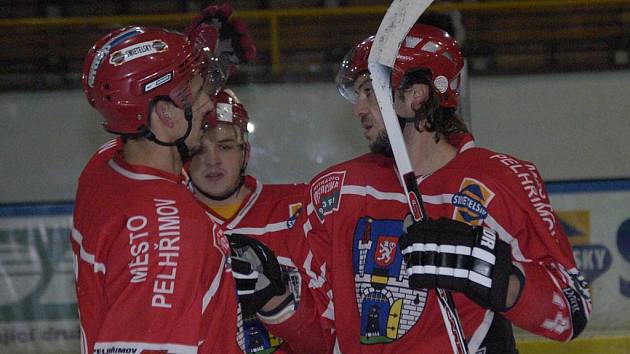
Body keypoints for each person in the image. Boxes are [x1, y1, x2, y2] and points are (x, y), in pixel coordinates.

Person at [299, 23, 592, 353]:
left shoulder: (498, 181)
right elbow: (314, 318)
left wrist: (494, 276)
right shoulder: (339, 190)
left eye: (370, 90)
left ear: (416, 95)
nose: (359, 108)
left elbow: (570, 310)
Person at [71, 6, 260, 351]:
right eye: (199, 92)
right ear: (164, 114)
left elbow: (153, 134)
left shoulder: (102, 169)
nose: (208, 104)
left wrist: (195, 64)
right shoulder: (171, 233)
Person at [186, 88, 329, 353]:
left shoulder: (299, 208)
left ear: (246, 152)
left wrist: (281, 305)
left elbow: (330, 337)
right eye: (198, 150)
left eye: (225, 146)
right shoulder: (171, 222)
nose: (212, 160)